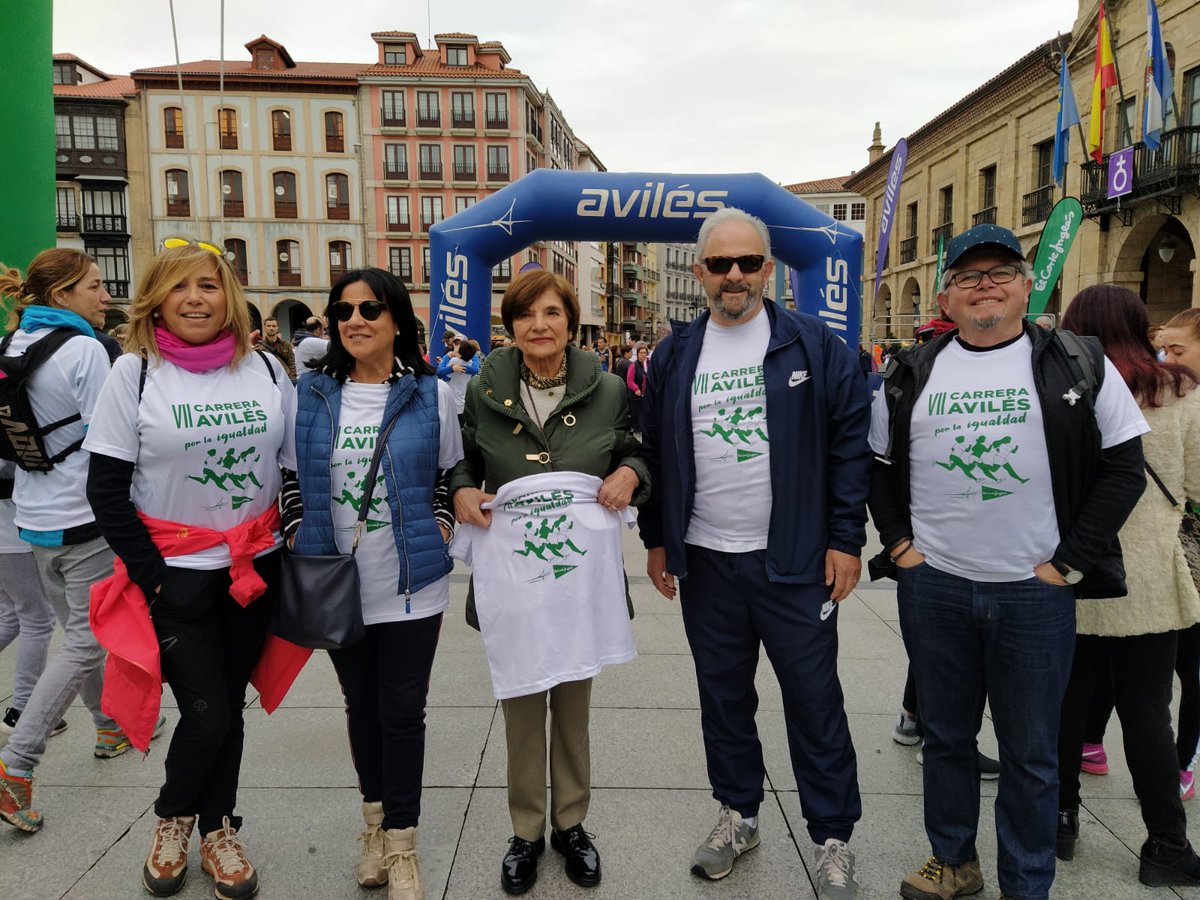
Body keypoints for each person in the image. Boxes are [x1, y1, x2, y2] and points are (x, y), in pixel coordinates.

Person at [868, 224, 1149, 900]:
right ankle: (953, 861)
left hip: (1034, 593)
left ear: (1028, 285)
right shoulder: (911, 371)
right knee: (946, 737)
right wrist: (902, 548)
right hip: (935, 588)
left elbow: (1124, 470)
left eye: (1000, 271)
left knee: (1030, 752)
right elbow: (877, 468)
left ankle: (1027, 881)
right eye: (969, 275)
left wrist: (1067, 563)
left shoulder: (1077, 361)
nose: (985, 284)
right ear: (947, 294)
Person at [639, 207, 869, 899]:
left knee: (814, 699)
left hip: (793, 561)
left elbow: (848, 446)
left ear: (769, 269)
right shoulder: (675, 353)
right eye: (719, 264)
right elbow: (653, 448)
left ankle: (832, 835)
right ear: (701, 271)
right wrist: (658, 537)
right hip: (708, 560)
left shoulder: (814, 346)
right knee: (723, 698)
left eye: (747, 263)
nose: (733, 276)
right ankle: (738, 813)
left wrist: (845, 541)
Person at [84, 241, 297, 898]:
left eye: (208, 285)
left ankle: (220, 829)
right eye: (180, 287)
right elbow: (106, 488)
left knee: (227, 708)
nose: (196, 298)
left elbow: (291, 470)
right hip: (174, 578)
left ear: (228, 297)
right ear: (157, 301)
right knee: (205, 711)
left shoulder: (264, 369)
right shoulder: (136, 373)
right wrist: (153, 576)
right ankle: (174, 819)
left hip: (253, 571)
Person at [450, 269, 649, 895]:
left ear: (571, 321)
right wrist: (459, 488)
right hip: (513, 580)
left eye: (552, 313)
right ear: (510, 326)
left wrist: (632, 474)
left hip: (578, 582)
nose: (539, 326)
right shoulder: (484, 388)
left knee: (572, 708)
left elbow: (637, 448)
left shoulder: (609, 388)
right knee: (519, 704)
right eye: (526, 315)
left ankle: (571, 824)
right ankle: (526, 831)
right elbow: (464, 456)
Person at [290, 267, 460, 900]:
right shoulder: (308, 393)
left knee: (402, 713)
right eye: (344, 311)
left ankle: (403, 842)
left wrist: (441, 528)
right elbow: (289, 476)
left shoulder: (429, 393)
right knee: (361, 708)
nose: (355, 320)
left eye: (369, 309)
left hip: (412, 583)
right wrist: (293, 535)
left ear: (396, 320)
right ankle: (373, 827)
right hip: (337, 584)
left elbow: (449, 473)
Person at [1053, 288, 1200, 886]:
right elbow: (1194, 481)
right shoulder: (1183, 393)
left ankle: (1060, 821)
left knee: (1063, 705)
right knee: (1147, 712)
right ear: (1143, 328)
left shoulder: (1061, 392)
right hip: (1145, 580)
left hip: (1068, 572)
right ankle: (1164, 842)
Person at [0, 249, 144, 836]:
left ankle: (108, 727)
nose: (104, 296)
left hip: (32, 515)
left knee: (73, 631)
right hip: (84, 515)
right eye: (93, 286)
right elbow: (117, 436)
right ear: (61, 295)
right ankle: (17, 762)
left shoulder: (11, 346)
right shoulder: (84, 349)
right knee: (85, 641)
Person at [0, 459, 64, 738]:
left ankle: (24, 708)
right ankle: (23, 711)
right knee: (37, 619)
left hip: (11, 531)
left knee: (12, 616)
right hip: (12, 533)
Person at [437, 337, 480, 423]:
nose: (456, 347)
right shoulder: (470, 361)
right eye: (455, 344)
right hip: (463, 401)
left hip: (452, 402)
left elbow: (441, 372)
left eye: (459, 345)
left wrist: (450, 365)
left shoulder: (454, 360)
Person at [256, 316, 296, 380]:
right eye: (268, 326)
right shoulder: (258, 348)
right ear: (264, 327)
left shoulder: (286, 345)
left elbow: (292, 364)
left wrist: (291, 378)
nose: (271, 328)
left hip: (286, 379)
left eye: (274, 326)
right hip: (269, 379)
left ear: (277, 328)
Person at [625, 343, 649, 436]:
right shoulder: (633, 365)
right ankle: (636, 429)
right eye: (641, 353)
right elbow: (629, 380)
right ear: (638, 354)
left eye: (645, 352)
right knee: (636, 412)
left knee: (645, 411)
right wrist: (636, 389)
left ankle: (643, 428)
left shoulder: (649, 364)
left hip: (646, 393)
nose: (643, 354)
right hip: (636, 394)